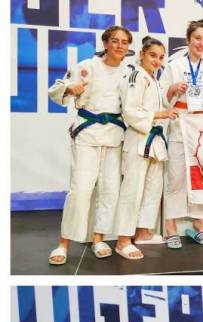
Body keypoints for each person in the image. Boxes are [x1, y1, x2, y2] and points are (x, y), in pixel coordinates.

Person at [47, 25, 133, 266]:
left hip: (114, 135)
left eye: (124, 42)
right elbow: (55, 90)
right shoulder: (87, 66)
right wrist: (69, 88)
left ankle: (98, 239)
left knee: (110, 190)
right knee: (80, 190)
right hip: (87, 133)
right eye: (114, 41)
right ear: (105, 43)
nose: (119, 46)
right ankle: (63, 243)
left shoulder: (129, 72)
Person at [162, 20, 203, 249]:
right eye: (197, 38)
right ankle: (170, 227)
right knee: (176, 176)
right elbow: (162, 98)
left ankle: (200, 225)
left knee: (202, 177)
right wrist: (173, 89)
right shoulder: (174, 66)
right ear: (188, 40)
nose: (201, 43)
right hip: (181, 123)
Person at [114, 36, 175, 260]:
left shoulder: (153, 79)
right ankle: (123, 240)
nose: (157, 61)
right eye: (152, 56)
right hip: (138, 139)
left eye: (161, 57)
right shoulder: (135, 76)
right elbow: (130, 112)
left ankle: (142, 232)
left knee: (153, 188)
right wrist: (161, 114)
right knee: (132, 190)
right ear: (141, 54)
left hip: (154, 140)